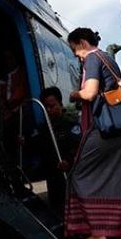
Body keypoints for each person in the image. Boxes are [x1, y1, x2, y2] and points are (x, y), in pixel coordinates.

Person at [64, 28, 121, 239]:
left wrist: (74, 94)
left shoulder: (92, 57)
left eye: (74, 49)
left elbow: (90, 93)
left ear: (81, 42)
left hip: (108, 128)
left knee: (79, 174)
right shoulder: (109, 59)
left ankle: (99, 231)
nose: (76, 55)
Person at [40, 87, 80, 217]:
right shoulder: (44, 128)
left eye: (52, 106)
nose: (49, 110)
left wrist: (68, 161)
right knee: (56, 207)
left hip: (70, 173)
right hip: (53, 175)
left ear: (60, 104)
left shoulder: (71, 124)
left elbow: (78, 148)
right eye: (46, 107)